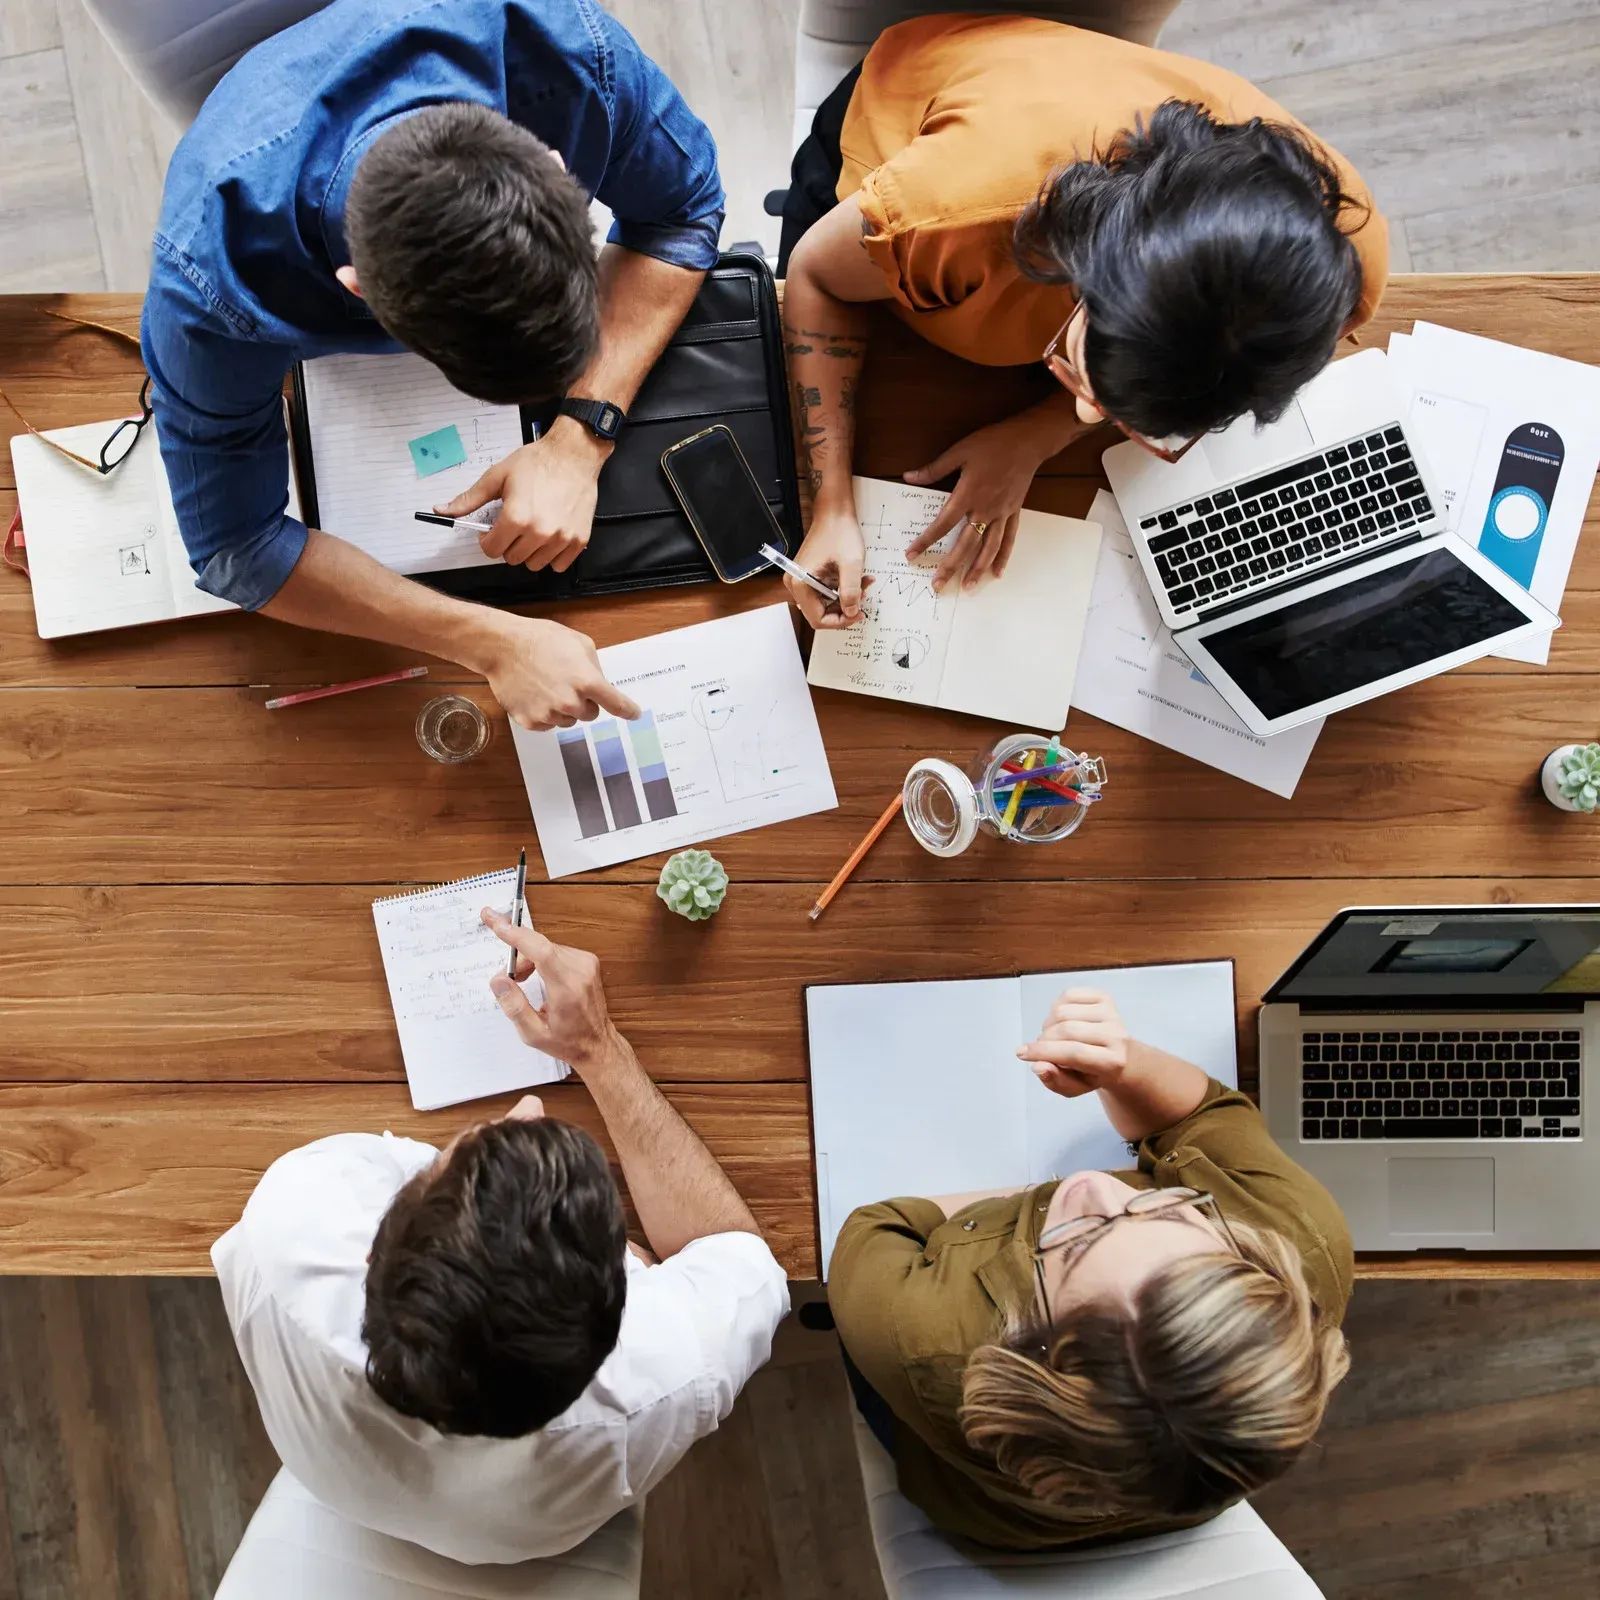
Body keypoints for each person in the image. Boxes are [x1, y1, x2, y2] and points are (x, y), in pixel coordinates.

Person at [143, 0, 726, 731]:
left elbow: (686, 207)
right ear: (355, 290)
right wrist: (490, 641)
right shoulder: (210, 274)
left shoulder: (570, 55)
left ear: (554, 168)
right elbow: (233, 546)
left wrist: (579, 437)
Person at [777, 12, 1389, 625]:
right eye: (1085, 385)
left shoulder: (1334, 267)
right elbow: (815, 276)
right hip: (884, 164)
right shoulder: (949, 213)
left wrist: (1037, 435)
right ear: (1081, 276)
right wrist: (831, 507)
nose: (1088, 415)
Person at [213, 916, 788, 1563]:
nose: (528, 1107)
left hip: (340, 1473)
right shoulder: (664, 1377)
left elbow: (427, 1191)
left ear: (376, 1250)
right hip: (519, 1535)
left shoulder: (294, 1217)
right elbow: (740, 1258)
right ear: (616, 1327)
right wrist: (597, 1048)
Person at [827, 986, 1352, 1551]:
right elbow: (1205, 1113)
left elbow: (875, 1227)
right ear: (1248, 1265)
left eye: (1073, 1247)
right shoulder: (1302, 1237)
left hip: (980, 1513)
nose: (1092, 1184)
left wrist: (1028, 1196)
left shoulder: (924, 1337)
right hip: (1177, 1486)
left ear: (1031, 1344)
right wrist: (1123, 1065)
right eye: (1166, 1212)